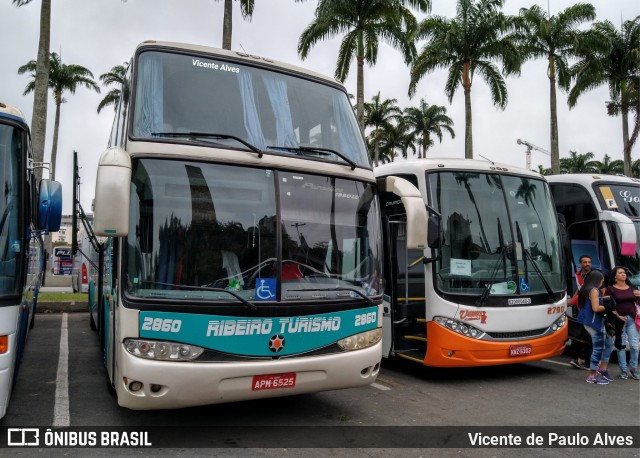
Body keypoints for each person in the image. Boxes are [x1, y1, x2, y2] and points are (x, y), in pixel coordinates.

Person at [577, 270, 615, 384]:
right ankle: (592, 375)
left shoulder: (584, 289)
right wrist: (607, 306)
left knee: (607, 343)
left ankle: (599, 370)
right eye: (602, 280)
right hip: (594, 323)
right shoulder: (594, 290)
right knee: (598, 349)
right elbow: (596, 308)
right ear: (597, 280)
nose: (602, 283)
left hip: (588, 321)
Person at [604, 266, 640, 380]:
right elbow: (607, 305)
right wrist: (617, 316)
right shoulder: (610, 289)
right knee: (621, 345)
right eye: (620, 273)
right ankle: (623, 370)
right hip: (619, 320)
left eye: (624, 273)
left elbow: (638, 302)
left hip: (632, 319)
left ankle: (634, 368)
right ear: (615, 276)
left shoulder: (631, 287)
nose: (623, 274)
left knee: (635, 345)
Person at [568, 255, 593, 370]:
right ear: (580, 264)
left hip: (591, 309)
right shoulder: (578, 275)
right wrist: (571, 301)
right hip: (581, 309)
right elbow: (578, 291)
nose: (587, 264)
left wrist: (570, 302)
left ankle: (587, 361)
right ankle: (576, 359)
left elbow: (586, 293)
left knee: (588, 336)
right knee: (578, 335)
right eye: (585, 262)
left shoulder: (593, 276)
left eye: (589, 262)